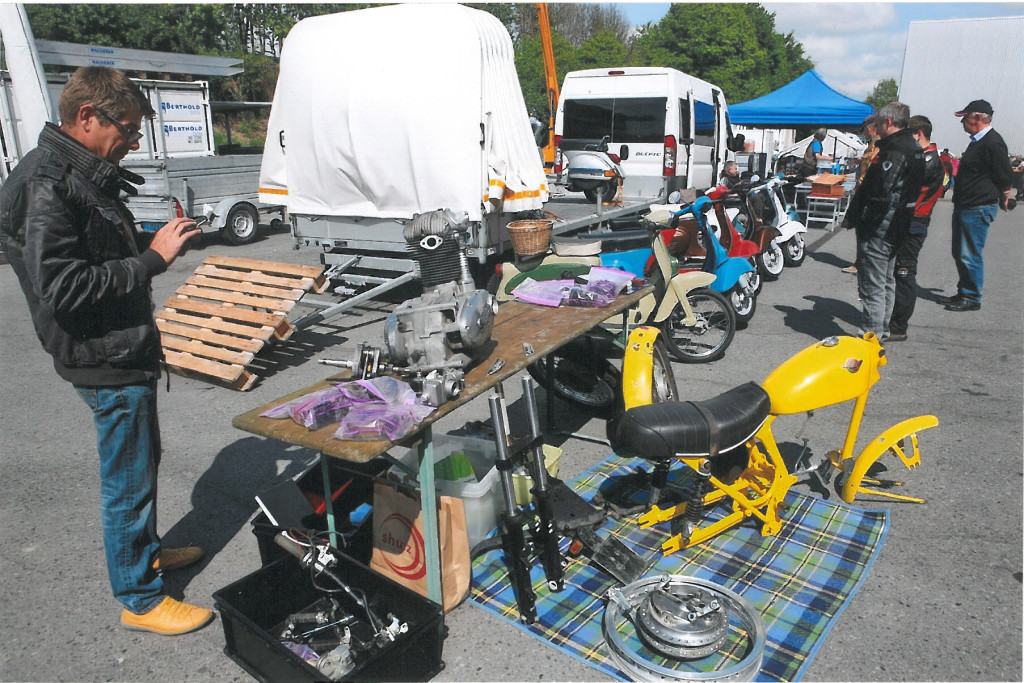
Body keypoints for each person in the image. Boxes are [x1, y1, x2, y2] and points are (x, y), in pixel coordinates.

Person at [0, 67, 213, 635]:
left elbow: (94, 252)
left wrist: (156, 242)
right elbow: (65, 287)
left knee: (140, 466)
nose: (133, 142)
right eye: (129, 129)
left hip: (120, 349)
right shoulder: (46, 184)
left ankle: (143, 553)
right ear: (87, 116)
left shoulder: (78, 174)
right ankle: (139, 597)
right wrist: (152, 260)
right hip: (103, 357)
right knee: (127, 483)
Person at [842, 102, 925, 341]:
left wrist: (865, 220)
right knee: (886, 279)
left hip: (882, 226)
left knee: (873, 283)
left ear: (888, 122)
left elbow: (882, 191)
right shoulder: (912, 146)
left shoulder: (896, 149)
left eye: (878, 123)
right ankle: (882, 330)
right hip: (897, 224)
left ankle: (870, 335)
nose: (876, 128)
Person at [943, 99, 1014, 311]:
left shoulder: (992, 142)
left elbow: (1005, 175)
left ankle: (971, 297)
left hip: (977, 206)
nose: (962, 122)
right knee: (960, 252)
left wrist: (1004, 196)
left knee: (969, 253)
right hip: (967, 205)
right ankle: (965, 291)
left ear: (976, 118)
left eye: (964, 118)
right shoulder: (978, 141)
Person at [888, 115, 944, 341]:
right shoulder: (924, 157)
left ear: (918, 134)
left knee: (904, 272)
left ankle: (898, 327)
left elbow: (899, 185)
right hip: (909, 221)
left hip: (915, 222)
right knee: (898, 272)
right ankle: (892, 320)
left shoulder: (928, 160)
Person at [842, 115, 881, 274]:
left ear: (871, 128)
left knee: (865, 231)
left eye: (864, 129)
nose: (864, 133)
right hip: (865, 191)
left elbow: (871, 169)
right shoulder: (872, 144)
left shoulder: (877, 145)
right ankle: (862, 262)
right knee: (863, 230)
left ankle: (863, 264)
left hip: (867, 192)